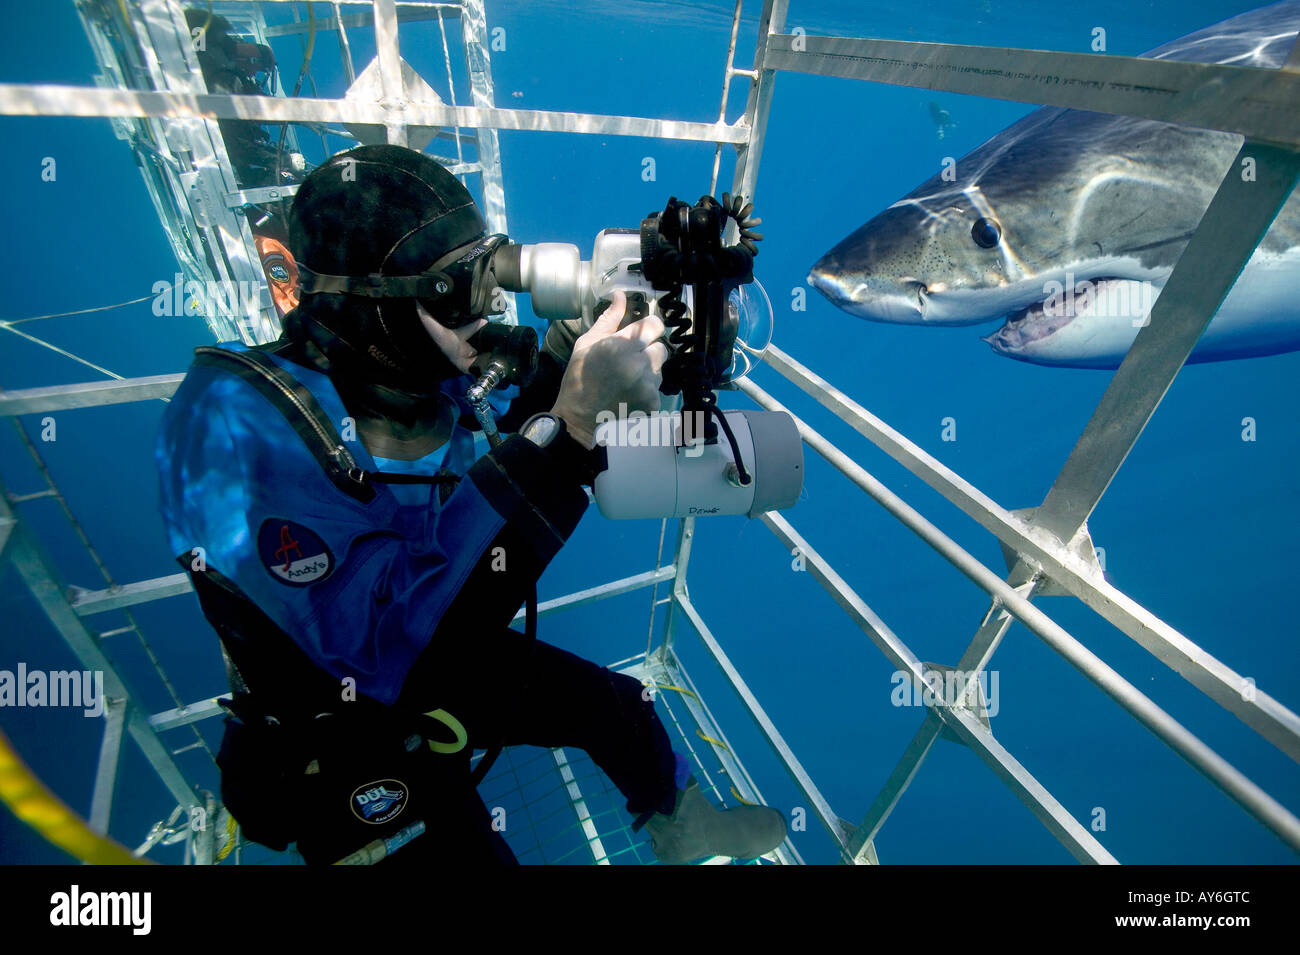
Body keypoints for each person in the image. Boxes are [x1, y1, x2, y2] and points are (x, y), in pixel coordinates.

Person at [155, 143, 787, 865]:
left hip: (445, 631)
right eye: (457, 289)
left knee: (619, 708)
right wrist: (574, 430)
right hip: (346, 722)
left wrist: (574, 354)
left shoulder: (413, 367)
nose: (488, 303)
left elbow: (516, 424)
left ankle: (687, 826)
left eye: (492, 268)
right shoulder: (229, 430)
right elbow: (393, 650)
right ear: (374, 307)